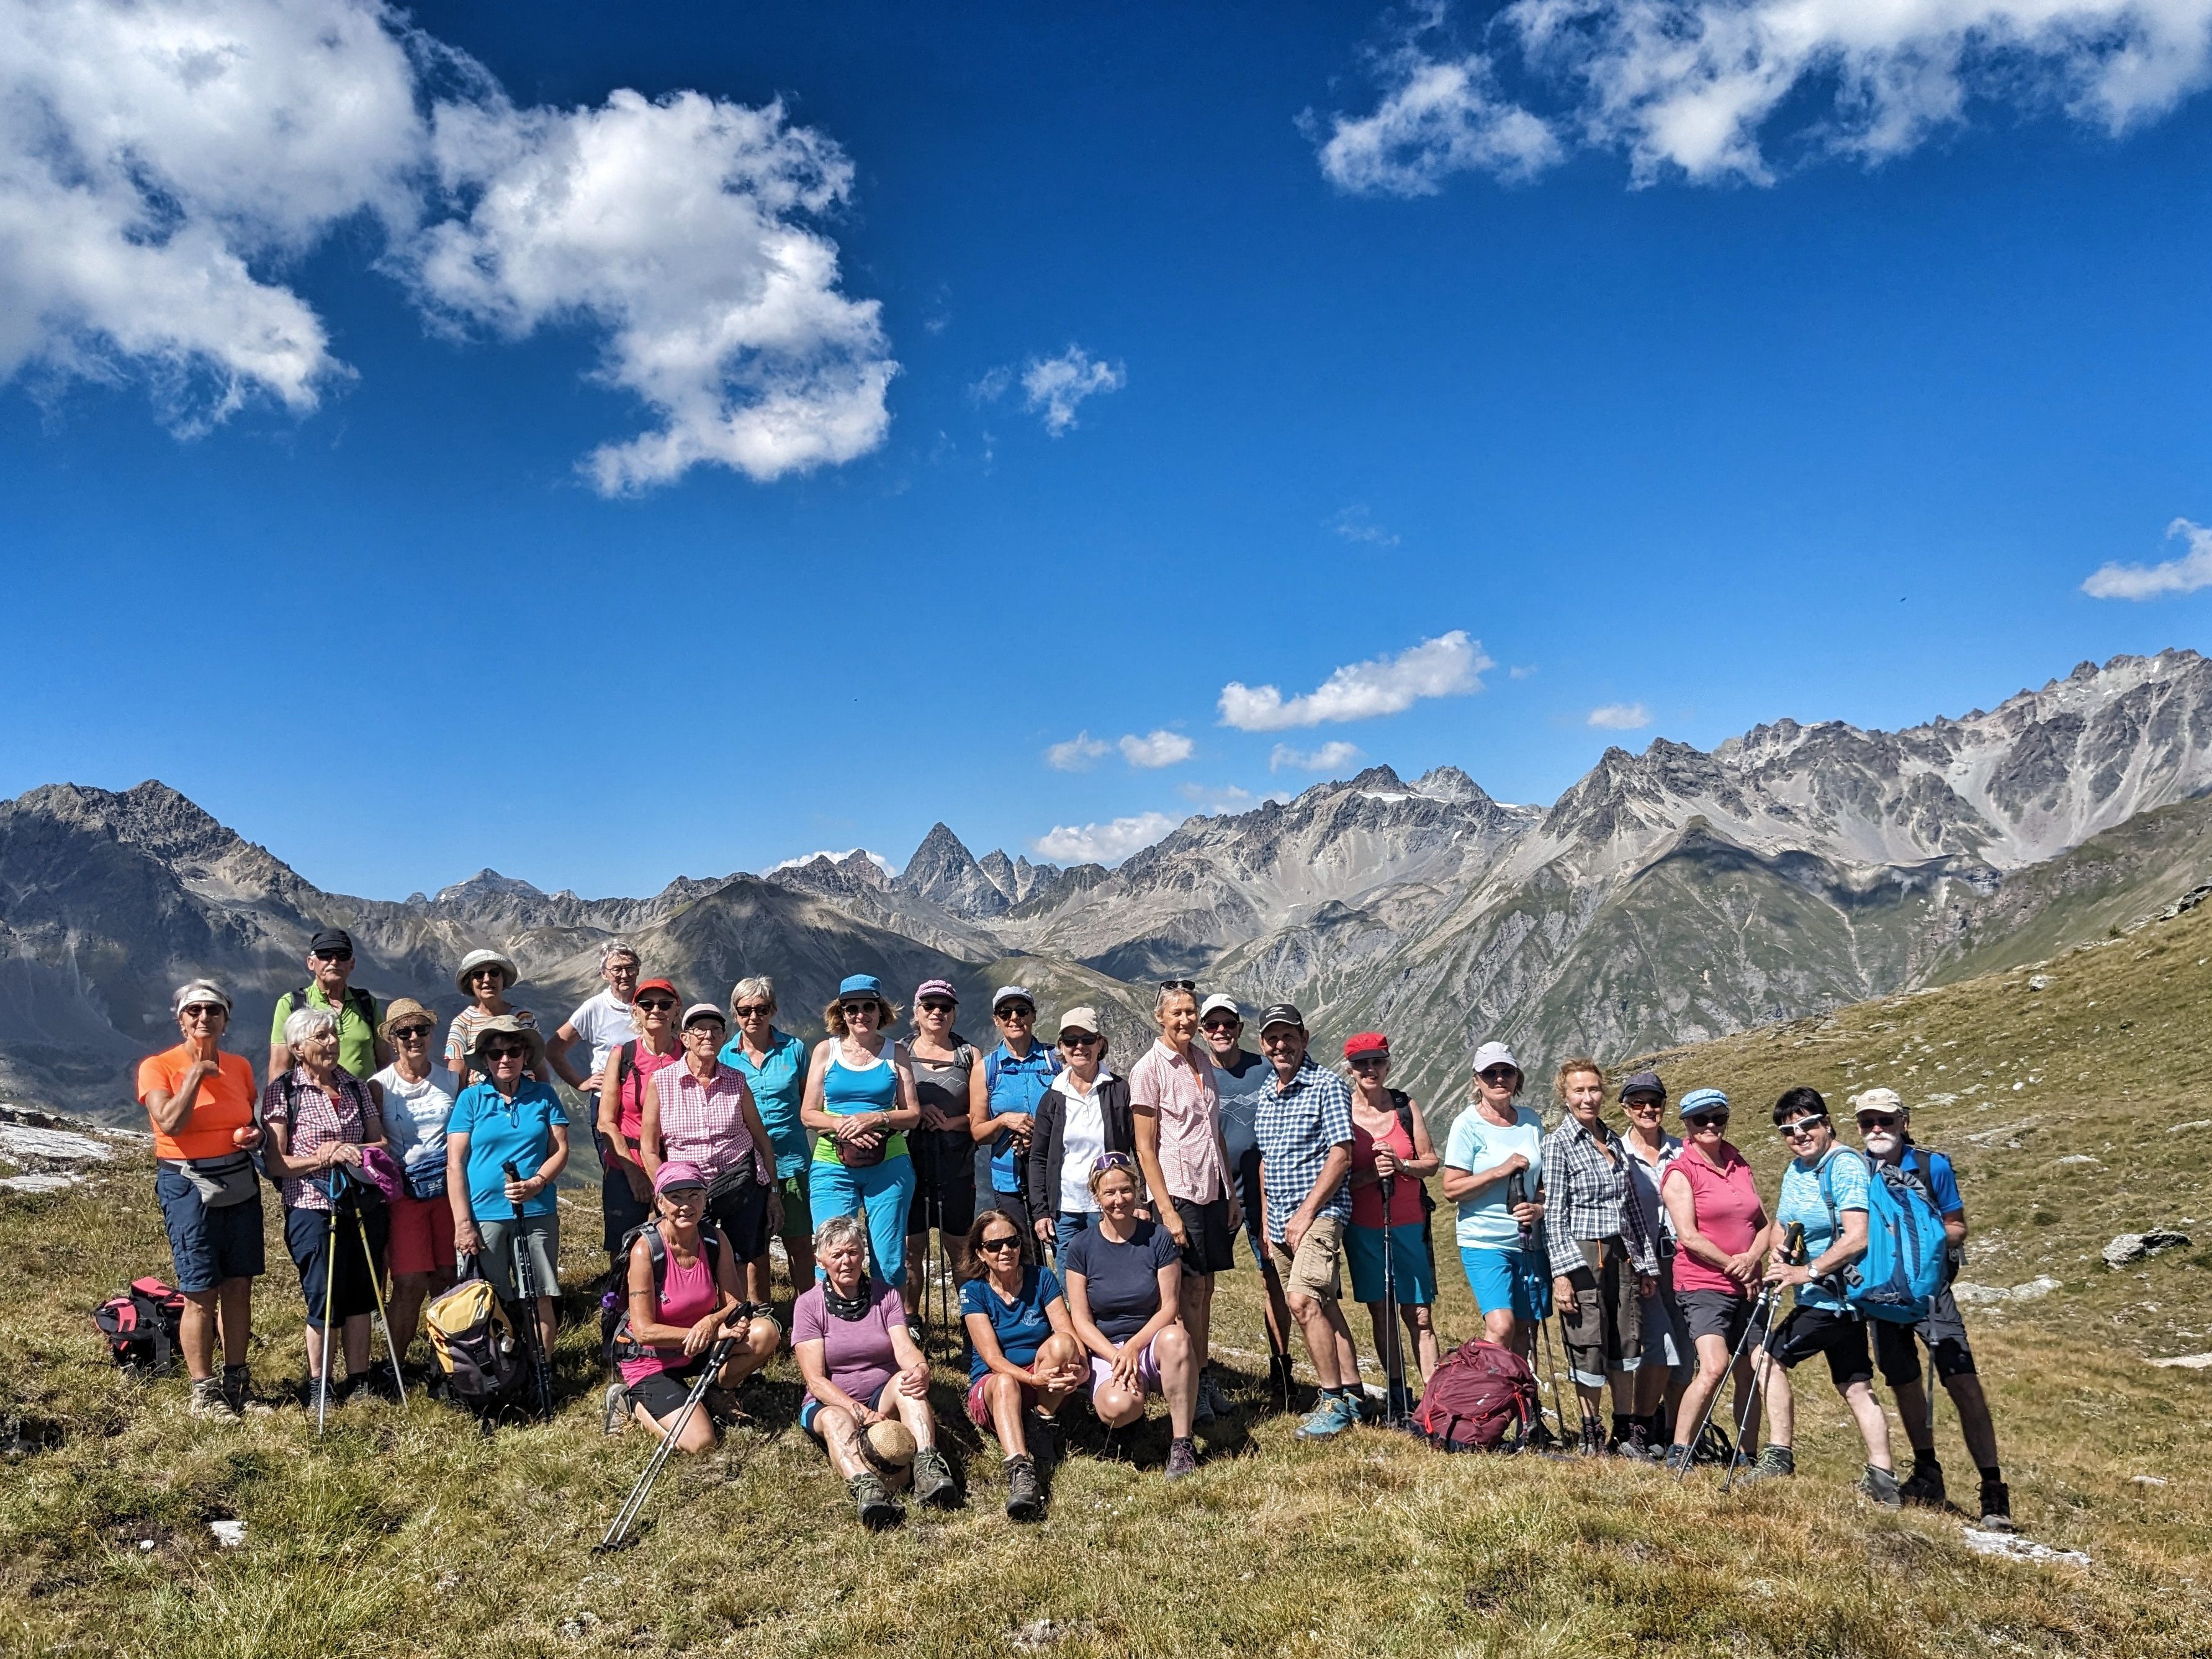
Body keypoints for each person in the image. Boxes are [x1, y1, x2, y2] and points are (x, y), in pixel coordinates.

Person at [1854, 1088, 2013, 1530]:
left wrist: (1931, 1240)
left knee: (1963, 1383)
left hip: (1931, 1291)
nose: (1876, 1129)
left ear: (1904, 1121)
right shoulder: (1856, 1169)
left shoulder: (1931, 1166)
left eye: (1884, 1120)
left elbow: (1957, 1222)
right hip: (1882, 1294)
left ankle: (1993, 1490)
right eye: (1867, 1122)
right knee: (1904, 1381)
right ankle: (1928, 1472)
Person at [1746, 1086, 1899, 1506]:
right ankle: (1883, 1477)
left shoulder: (1844, 1165)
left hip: (1833, 1297)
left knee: (1766, 1355)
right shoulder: (1798, 1169)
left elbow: (1857, 1237)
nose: (1800, 1134)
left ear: (1826, 1122)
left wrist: (1804, 1271)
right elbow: (1784, 1222)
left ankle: (1778, 1455)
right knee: (1855, 1384)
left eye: (1808, 1123)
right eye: (1789, 1129)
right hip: (1835, 1298)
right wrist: (1781, 1248)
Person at [138, 979, 266, 1419]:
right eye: (194, 1011)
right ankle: (203, 1391)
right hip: (187, 1182)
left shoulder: (242, 1066)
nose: (203, 1018)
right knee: (199, 1288)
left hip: (237, 1178)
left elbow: (250, 1115)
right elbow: (170, 1122)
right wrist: (196, 1072)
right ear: (180, 1019)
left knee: (239, 1283)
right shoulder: (159, 1067)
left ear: (226, 1019)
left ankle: (237, 1379)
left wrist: (256, 1135)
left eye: (213, 1010)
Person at [261, 1005, 390, 1409]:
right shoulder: (282, 1091)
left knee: (361, 1294)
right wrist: (324, 1156)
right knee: (323, 1294)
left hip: (360, 1203)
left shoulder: (355, 1086)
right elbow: (276, 1161)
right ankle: (320, 1383)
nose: (332, 1042)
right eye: (322, 1036)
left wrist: (353, 1151)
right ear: (298, 1046)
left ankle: (359, 1378)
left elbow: (381, 1143)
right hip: (310, 1206)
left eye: (333, 1034)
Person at [793, 1212, 956, 1526]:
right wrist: (861, 1413)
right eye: (836, 1254)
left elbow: (904, 1347)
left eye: (853, 1252)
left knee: (909, 1384)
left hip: (882, 1392)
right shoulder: (808, 1305)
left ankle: (928, 1467)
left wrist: (921, 1368)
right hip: (832, 1400)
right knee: (835, 1419)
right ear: (820, 1260)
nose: (847, 1262)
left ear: (863, 1254)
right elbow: (814, 1379)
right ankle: (868, 1490)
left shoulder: (886, 1295)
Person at [606, 1161, 780, 1452]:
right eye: (675, 1197)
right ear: (660, 1203)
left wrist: (712, 1323)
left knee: (765, 1332)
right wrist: (710, 1333)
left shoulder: (713, 1238)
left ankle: (716, 1393)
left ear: (705, 1199)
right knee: (702, 1443)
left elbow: (735, 1303)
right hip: (651, 1359)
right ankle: (629, 1400)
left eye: (694, 1196)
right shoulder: (644, 1249)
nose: (685, 1206)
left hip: (696, 1347)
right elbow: (646, 1332)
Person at [1252, 1004, 1364, 1440]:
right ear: (1263, 1043)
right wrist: (1265, 1220)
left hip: (1317, 1214)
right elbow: (1266, 1160)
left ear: (1305, 1036)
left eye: (1288, 1036)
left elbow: (1341, 1153)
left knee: (1301, 1301)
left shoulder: (1326, 1086)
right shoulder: (1267, 1091)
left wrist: (1305, 1213)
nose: (1280, 1045)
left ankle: (1331, 1399)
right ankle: (1354, 1391)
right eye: (1272, 1038)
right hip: (1278, 1217)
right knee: (1322, 1302)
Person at [1130, 981, 1239, 1424]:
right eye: (1177, 1012)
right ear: (1160, 1016)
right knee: (1187, 1289)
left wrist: (1230, 1191)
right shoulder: (1149, 1068)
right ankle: (1189, 1383)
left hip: (1211, 1187)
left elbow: (1214, 1134)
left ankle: (1204, 1374)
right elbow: (1144, 1146)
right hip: (1178, 1190)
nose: (1186, 1020)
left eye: (1191, 1011)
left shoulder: (1202, 1062)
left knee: (1206, 1287)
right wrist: (1167, 1210)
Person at [1542, 1058, 1660, 1455]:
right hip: (1584, 1253)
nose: (1588, 1098)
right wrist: (1561, 1274)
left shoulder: (1612, 1140)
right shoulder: (1558, 1145)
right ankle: (1591, 1435)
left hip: (1623, 1253)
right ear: (1565, 1095)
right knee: (1588, 1341)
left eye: (1594, 1089)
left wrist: (1645, 1264)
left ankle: (1624, 1431)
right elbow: (1555, 1213)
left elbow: (1632, 1210)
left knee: (1626, 1339)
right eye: (1579, 1090)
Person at [1061, 1153, 1201, 1478]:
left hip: (1148, 1343)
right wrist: (1116, 1355)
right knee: (1118, 1408)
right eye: (1109, 1193)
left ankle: (1182, 1442)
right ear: (1096, 1196)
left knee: (1177, 1338)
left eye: (1125, 1190)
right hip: (1107, 1347)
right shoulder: (1081, 1246)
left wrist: (1134, 1348)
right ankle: (1131, 1420)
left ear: (1137, 1191)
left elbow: (1169, 1307)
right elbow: (1080, 1320)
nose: (1118, 1200)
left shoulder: (1158, 1238)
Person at [1659, 1087, 1769, 1472]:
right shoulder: (1680, 1172)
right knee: (1714, 1366)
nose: (1710, 1125)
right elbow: (1687, 1236)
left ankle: (1746, 1454)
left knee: (1751, 1371)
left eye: (1717, 1118)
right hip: (1703, 1284)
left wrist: (1753, 1259)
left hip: (1747, 1285)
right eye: (1700, 1119)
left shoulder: (1739, 1163)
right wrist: (1734, 1264)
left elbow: (1762, 1223)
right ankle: (1680, 1447)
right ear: (1686, 1125)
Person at [446, 1016, 569, 1362]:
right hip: (484, 1215)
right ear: (484, 1059)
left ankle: (540, 1369)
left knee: (539, 1295)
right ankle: (495, 1370)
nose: (505, 1059)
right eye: (496, 1053)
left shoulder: (543, 1095)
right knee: (487, 1297)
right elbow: (455, 1163)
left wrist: (537, 1183)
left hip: (537, 1210)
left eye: (513, 1051)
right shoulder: (471, 1099)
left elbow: (560, 1148)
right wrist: (462, 1223)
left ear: (525, 1055)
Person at [640, 1004, 778, 1302]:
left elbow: (761, 1140)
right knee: (690, 1254)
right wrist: (664, 1189)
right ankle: (695, 1312)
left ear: (724, 1037)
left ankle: (741, 1317)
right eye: (699, 1029)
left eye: (716, 1030)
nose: (708, 1036)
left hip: (738, 1180)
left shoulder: (737, 1080)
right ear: (685, 1038)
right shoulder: (662, 1082)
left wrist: (773, 1191)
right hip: (686, 1188)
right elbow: (649, 1147)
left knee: (742, 1255)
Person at [959, 1209, 1089, 1520]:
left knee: (1064, 1346)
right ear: (980, 1253)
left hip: (1042, 1379)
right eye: (994, 1246)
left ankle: (1041, 1423)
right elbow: (992, 1359)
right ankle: (1020, 1471)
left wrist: (1081, 1369)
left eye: (1012, 1242)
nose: (1006, 1251)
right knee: (1003, 1382)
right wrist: (1033, 1382)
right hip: (997, 1386)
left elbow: (1068, 1333)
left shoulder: (1042, 1277)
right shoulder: (973, 1292)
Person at [1201, 994, 1295, 1398]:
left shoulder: (1264, 1068)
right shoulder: (1197, 1070)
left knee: (1272, 1275)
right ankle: (1200, 1371)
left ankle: (1281, 1365)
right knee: (1200, 1283)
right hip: (1214, 1190)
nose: (1220, 1031)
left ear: (1240, 1028)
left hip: (1265, 1191)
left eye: (1228, 1024)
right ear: (1203, 1032)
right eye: (1212, 1025)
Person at [1342, 1032, 1441, 1419]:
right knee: (1382, 1312)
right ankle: (1399, 1397)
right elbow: (1334, 1176)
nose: (1370, 1069)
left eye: (1377, 1062)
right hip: (1364, 1227)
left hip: (1409, 1223)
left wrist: (1401, 1167)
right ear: (1350, 1068)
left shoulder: (1404, 1106)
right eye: (1361, 1063)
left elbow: (1430, 1162)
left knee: (1419, 1314)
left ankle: (1435, 1402)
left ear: (1387, 1064)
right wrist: (1369, 1176)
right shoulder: (1343, 1110)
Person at [801, 976, 921, 1290]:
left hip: (889, 1164)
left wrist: (876, 1117)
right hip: (832, 1164)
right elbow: (808, 1114)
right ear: (841, 1013)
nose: (860, 1015)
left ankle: (886, 1329)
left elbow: (912, 1115)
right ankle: (830, 1330)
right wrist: (844, 1124)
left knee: (890, 1258)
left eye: (868, 1006)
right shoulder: (826, 1052)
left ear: (881, 1011)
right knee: (831, 1251)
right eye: (851, 1008)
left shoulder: (897, 1053)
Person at [1441, 1041, 1549, 1359]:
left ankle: (1522, 1403)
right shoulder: (1467, 1124)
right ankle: (1491, 1400)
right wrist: (1499, 1171)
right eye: (1490, 1073)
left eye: (1506, 1071)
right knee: (1502, 1326)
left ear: (1517, 1077)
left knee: (1528, 1330)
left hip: (1530, 1241)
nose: (1499, 1079)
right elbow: (1451, 1189)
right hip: (1485, 1240)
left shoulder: (1531, 1121)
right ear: (1477, 1080)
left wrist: (1539, 1207)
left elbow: (1543, 1181)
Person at [371, 997, 459, 1368]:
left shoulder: (452, 1080)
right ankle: (397, 1366)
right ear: (392, 1039)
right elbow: (374, 1141)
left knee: (447, 1279)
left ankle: (452, 1364)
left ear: (431, 1034)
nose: (413, 1037)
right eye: (403, 1032)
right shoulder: (379, 1085)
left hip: (448, 1191)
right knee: (407, 1284)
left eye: (420, 1029)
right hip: (404, 1195)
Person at [720, 976, 814, 1302]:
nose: (753, 1017)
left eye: (761, 1009)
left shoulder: (795, 1049)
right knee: (753, 1246)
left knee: (800, 1242)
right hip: (746, 1163)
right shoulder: (724, 1056)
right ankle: (761, 1312)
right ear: (735, 1014)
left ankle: (809, 1314)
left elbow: (809, 1101)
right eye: (745, 1010)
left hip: (793, 1160)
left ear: (773, 1010)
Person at [1619, 1070, 1693, 1450]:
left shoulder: (1684, 1151)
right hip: (1641, 1264)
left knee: (1686, 1349)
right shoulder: (1618, 1153)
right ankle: (1642, 1425)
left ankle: (1676, 1436)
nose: (1648, 1109)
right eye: (1638, 1103)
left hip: (1684, 1260)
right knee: (1659, 1346)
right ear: (1625, 1108)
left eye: (1655, 1102)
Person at [1026, 1007, 1136, 1260]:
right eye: (1071, 1041)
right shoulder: (1053, 1097)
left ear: (1100, 1044)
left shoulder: (1120, 1091)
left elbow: (1139, 1149)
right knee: (1072, 1284)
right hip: (1066, 1210)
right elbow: (1039, 1158)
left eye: (1087, 1039)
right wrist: (1041, 1212)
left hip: (1111, 1207)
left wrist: (1140, 1203)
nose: (1079, 1047)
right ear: (1061, 1048)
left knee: (1111, 1278)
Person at [902, 978, 980, 1331]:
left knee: (960, 1249)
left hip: (956, 1163)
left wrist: (949, 1122)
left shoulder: (970, 1056)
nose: (937, 1013)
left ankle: (971, 1325)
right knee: (910, 1247)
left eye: (945, 1007)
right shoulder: (899, 1052)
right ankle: (909, 1319)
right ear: (916, 1012)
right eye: (929, 1006)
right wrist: (919, 1112)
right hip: (909, 1160)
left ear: (954, 1014)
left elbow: (982, 1115)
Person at [594, 978, 684, 1275]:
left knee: (679, 1242)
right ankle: (619, 1309)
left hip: (676, 1164)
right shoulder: (623, 1056)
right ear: (636, 1012)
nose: (655, 1010)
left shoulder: (688, 1055)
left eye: (664, 1004)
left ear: (676, 1010)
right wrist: (634, 1172)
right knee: (624, 1246)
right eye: (647, 1005)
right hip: (626, 1165)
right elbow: (606, 1121)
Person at [972, 985, 1059, 1238]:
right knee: (1022, 1253)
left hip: (1055, 1175)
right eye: (1005, 1012)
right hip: (1010, 1180)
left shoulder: (1056, 1061)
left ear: (1033, 1015)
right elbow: (978, 1133)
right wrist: (1003, 1121)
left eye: (1021, 1011)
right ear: (996, 1020)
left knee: (1066, 1248)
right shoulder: (985, 1069)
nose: (1014, 1018)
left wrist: (1041, 1134)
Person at [269, 927, 385, 1081]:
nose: (334, 961)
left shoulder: (367, 1003)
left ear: (352, 964)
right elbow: (279, 1067)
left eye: (343, 955)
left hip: (364, 1101)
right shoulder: (292, 1004)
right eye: (325, 955)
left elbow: (385, 1063)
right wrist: (278, 1103)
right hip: (311, 1102)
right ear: (311, 963)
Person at [547, 939, 642, 1116]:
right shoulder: (595, 1008)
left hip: (648, 1098)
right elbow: (553, 1049)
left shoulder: (651, 1003)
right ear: (604, 974)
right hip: (609, 1101)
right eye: (617, 969)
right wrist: (581, 1083)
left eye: (630, 967)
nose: (625, 974)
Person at [445, 948, 537, 1090]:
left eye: (494, 973)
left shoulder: (524, 1017)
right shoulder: (462, 1023)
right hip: (482, 1104)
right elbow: (456, 1075)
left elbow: (538, 1064)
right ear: (470, 983)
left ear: (502, 979)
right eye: (479, 975)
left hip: (527, 1100)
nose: (487, 979)